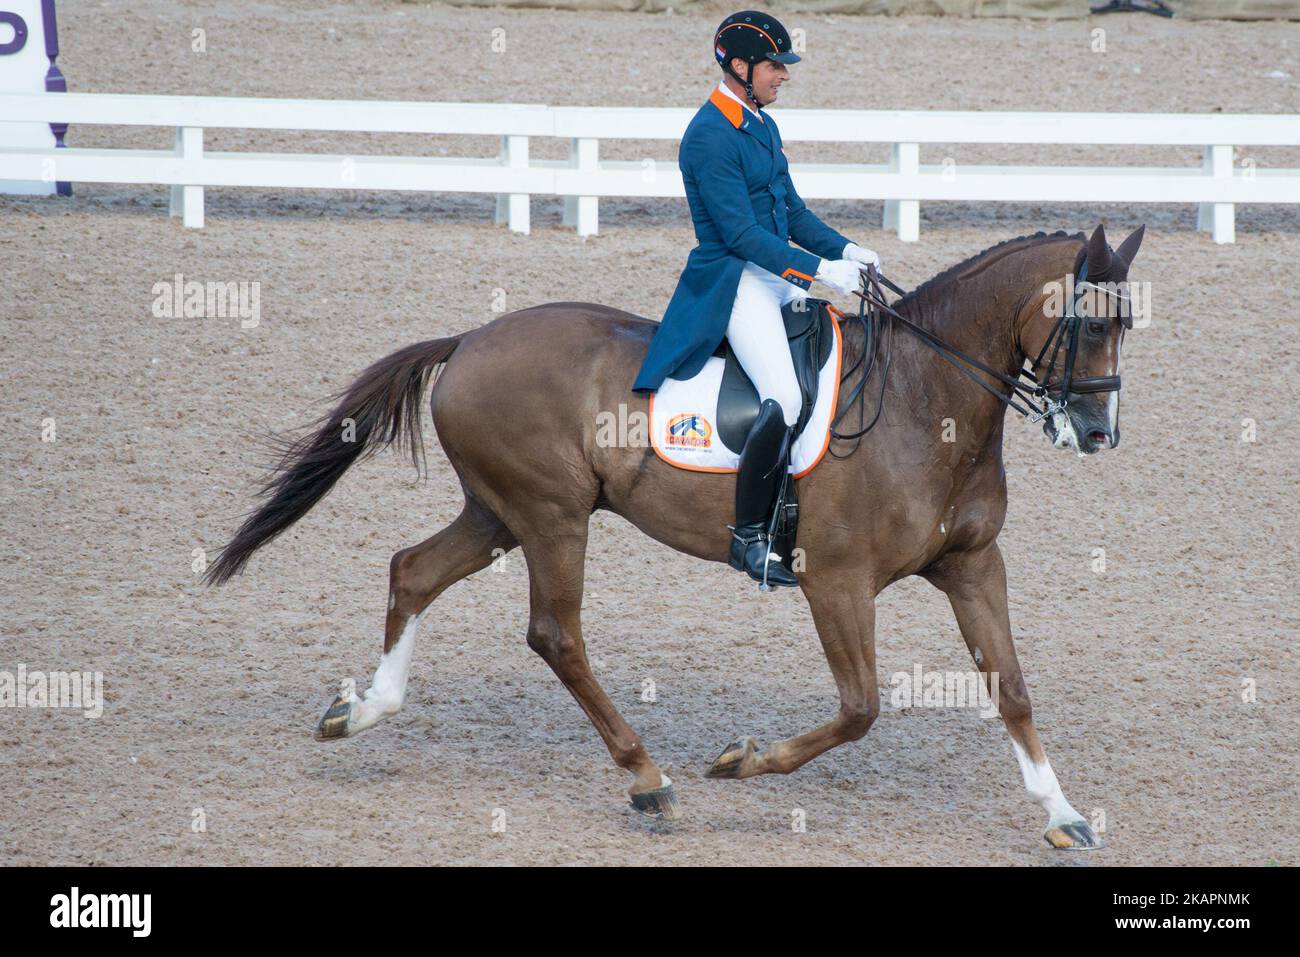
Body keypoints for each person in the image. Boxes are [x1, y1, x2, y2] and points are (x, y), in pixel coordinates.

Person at [631, 10, 880, 588]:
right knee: (787, 397)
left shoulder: (760, 124)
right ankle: (749, 537)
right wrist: (821, 272)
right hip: (733, 279)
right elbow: (741, 235)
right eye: (774, 67)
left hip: (772, 273)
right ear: (739, 67)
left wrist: (849, 249)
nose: (783, 77)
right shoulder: (709, 135)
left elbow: (790, 211)